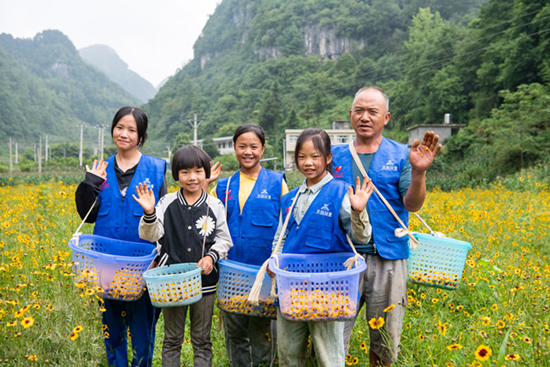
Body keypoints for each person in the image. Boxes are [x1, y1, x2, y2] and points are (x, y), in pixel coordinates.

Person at [332, 86, 442, 366]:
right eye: (359, 110)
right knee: (331, 334)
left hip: (389, 256)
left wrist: (419, 172)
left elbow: (412, 204)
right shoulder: (334, 156)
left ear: (386, 117)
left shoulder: (403, 154)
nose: (365, 117)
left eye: (373, 111)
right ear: (350, 115)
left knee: (385, 339)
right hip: (341, 257)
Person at [267, 128, 373, 367]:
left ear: (328, 158)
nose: (308, 163)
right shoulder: (290, 198)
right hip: (291, 286)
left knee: (329, 356)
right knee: (288, 353)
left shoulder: (341, 192)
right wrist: (274, 260)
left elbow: (363, 237)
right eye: (302, 157)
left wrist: (358, 210)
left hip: (328, 288)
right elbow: (280, 238)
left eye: (315, 156)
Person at [75, 106, 167, 367]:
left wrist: (157, 261)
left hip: (143, 265)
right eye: (119, 127)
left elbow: (163, 220)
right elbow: (88, 216)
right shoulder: (100, 169)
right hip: (106, 264)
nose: (124, 134)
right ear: (112, 129)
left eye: (131, 130)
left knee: (142, 329)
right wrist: (90, 183)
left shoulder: (157, 169)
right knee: (112, 328)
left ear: (141, 136)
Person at [135, 145, 233, 367]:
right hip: (171, 283)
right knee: (172, 339)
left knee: (202, 339)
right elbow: (151, 234)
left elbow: (224, 239)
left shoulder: (214, 205)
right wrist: (149, 212)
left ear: (206, 173)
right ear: (176, 174)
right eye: (185, 172)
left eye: (198, 171)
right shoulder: (165, 202)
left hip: (204, 284)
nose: (192, 177)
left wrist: (211, 257)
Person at [210, 124, 288, 367]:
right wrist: (204, 185)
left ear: (263, 149)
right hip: (231, 274)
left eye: (254, 146)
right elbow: (207, 222)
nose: (248, 151)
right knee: (235, 334)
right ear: (234, 148)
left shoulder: (278, 183)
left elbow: (285, 227)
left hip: (264, 275)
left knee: (263, 334)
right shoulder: (222, 187)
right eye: (242, 146)